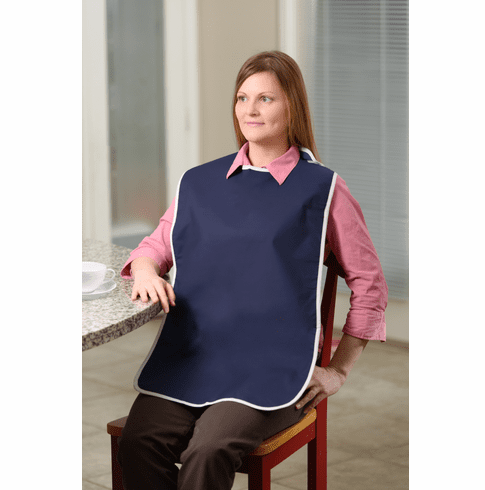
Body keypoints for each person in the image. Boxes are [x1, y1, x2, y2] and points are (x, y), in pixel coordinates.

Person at [117, 51, 388, 490]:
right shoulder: (198, 183)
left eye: (266, 98)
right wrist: (147, 272)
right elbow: (153, 248)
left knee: (208, 450)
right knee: (139, 442)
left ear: (292, 106)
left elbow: (370, 283)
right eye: (243, 98)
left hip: (276, 365)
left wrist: (338, 370)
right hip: (194, 354)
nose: (250, 109)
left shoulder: (324, 189)